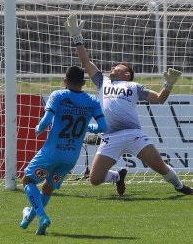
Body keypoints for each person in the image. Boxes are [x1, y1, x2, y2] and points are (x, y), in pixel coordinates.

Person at [64, 14, 193, 196]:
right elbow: (86, 62)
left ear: (127, 74)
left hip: (134, 134)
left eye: (118, 67)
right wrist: (77, 38)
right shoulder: (103, 81)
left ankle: (181, 187)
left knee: (161, 167)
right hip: (110, 136)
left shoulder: (134, 87)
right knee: (95, 179)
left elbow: (159, 99)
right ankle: (118, 176)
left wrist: (168, 85)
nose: (113, 68)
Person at [20, 65, 108, 235]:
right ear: (83, 82)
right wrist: (87, 128)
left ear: (65, 81)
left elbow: (47, 121)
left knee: (28, 181)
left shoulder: (58, 95)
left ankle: (42, 216)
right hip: (71, 156)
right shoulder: (93, 100)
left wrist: (38, 128)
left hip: (52, 152)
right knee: (47, 188)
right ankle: (29, 218)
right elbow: (103, 126)